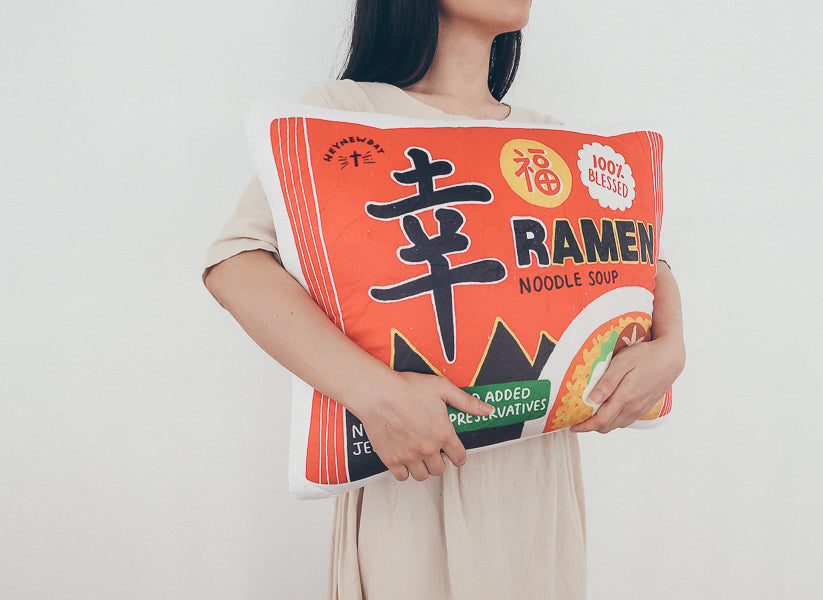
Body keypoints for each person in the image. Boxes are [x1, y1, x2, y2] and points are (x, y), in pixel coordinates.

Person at [204, 1, 685, 598]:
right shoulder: (345, 111)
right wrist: (375, 394)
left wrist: (671, 347)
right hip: (410, 478)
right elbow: (236, 262)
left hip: (538, 488)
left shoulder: (550, 137)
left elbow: (642, 257)